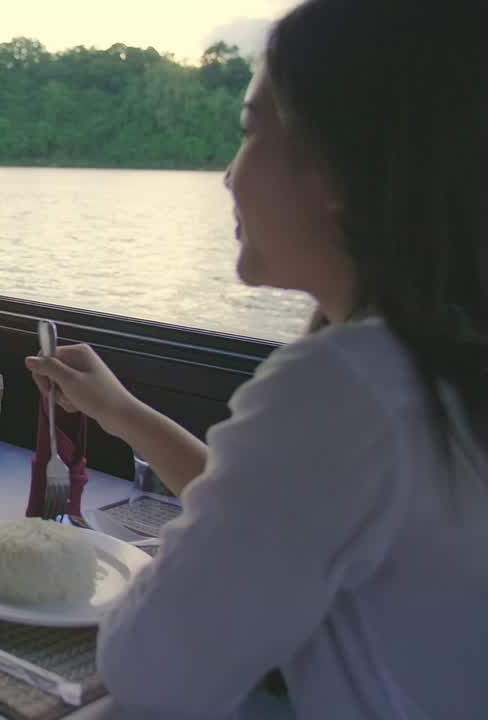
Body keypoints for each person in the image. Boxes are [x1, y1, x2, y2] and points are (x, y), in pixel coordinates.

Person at [26, 1, 487, 717]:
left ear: (335, 165)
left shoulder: (346, 384)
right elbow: (279, 514)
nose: (228, 176)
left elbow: (149, 667)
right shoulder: (434, 361)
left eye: (247, 132)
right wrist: (120, 413)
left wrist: (172, 563)